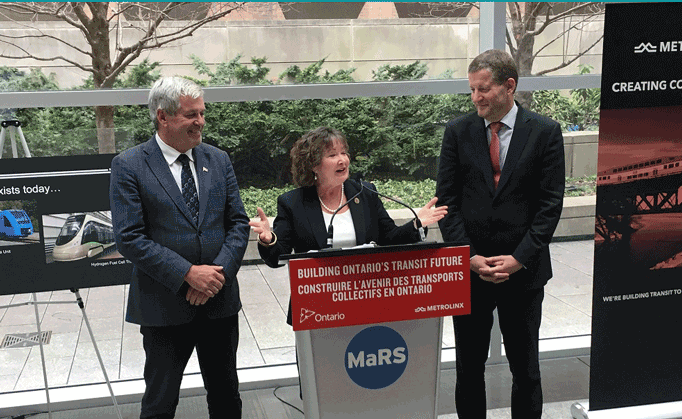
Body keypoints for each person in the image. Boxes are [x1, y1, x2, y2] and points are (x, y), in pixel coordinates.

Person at [109, 76, 250, 419]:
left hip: (218, 303)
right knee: (160, 402)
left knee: (226, 397)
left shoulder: (218, 160)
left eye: (202, 113)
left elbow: (238, 223)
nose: (200, 121)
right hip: (164, 306)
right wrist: (188, 274)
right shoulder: (129, 165)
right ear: (163, 117)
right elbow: (129, 237)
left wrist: (214, 276)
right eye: (191, 115)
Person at [435, 49, 565, 419]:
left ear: (509, 86)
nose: (476, 97)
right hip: (470, 272)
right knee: (469, 370)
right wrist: (468, 256)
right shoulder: (457, 132)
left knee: (525, 370)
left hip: (523, 273)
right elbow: (447, 201)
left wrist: (519, 258)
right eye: (472, 90)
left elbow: (549, 205)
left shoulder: (545, 132)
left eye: (483, 89)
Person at [249, 126, 447, 325]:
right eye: (332, 155)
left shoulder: (364, 193)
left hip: (365, 301)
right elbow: (277, 257)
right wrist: (268, 239)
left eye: (344, 152)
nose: (342, 159)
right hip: (316, 308)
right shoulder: (293, 203)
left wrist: (417, 223)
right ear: (314, 165)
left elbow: (389, 237)